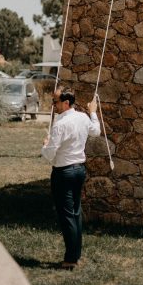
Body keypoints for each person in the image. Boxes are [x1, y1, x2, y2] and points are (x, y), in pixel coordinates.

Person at [41, 86, 100, 270]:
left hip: (64, 173)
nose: (53, 105)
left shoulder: (60, 125)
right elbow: (96, 131)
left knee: (67, 215)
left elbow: (50, 155)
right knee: (75, 213)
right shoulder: (83, 117)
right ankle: (75, 255)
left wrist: (45, 145)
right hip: (79, 171)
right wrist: (93, 113)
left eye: (55, 102)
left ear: (66, 103)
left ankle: (70, 259)